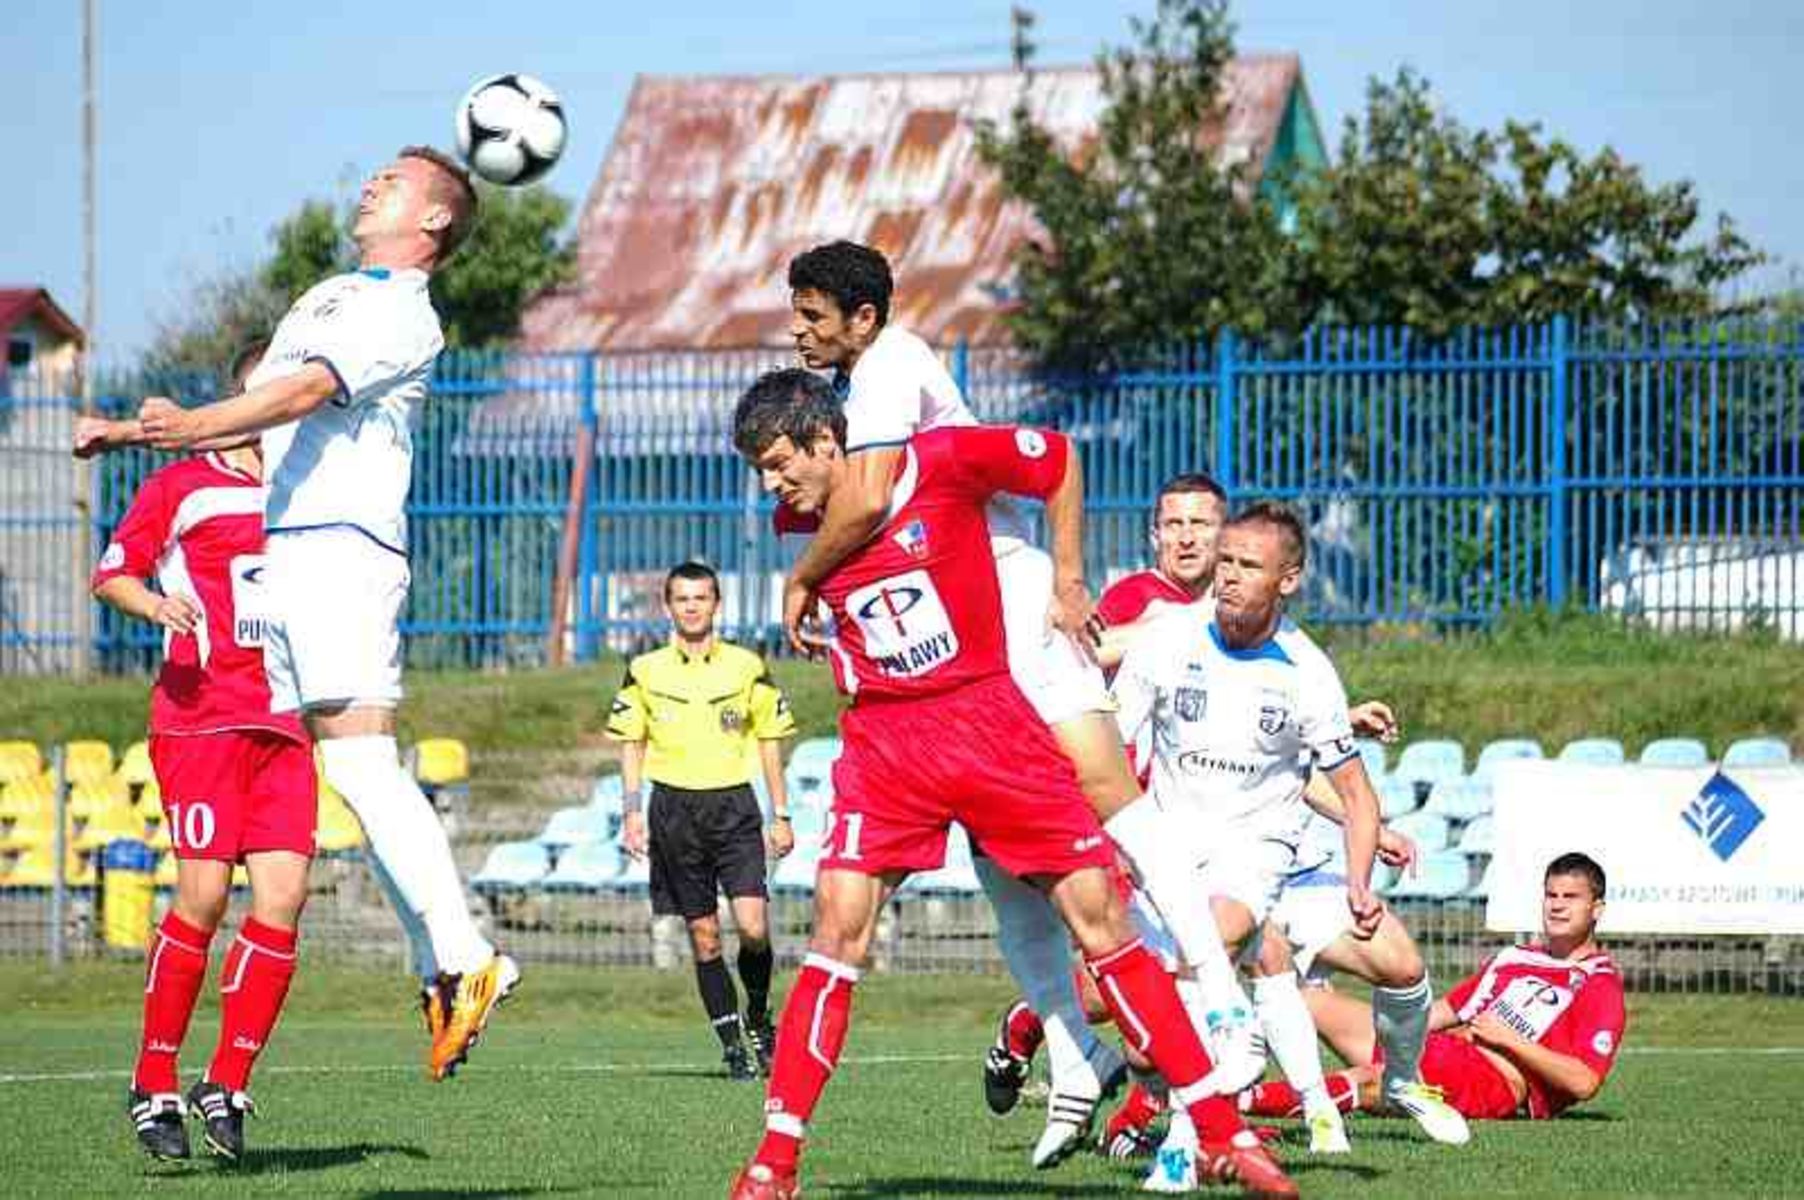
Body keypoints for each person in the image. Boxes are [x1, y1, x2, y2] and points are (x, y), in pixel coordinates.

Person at [725, 369, 1296, 1200]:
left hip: (992, 721)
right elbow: (856, 521)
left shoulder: (946, 459)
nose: (773, 489)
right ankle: (774, 1163)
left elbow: (1059, 458)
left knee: (1100, 919)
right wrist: (813, 587)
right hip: (888, 742)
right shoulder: (803, 518)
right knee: (835, 933)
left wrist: (1067, 578)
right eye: (762, 473)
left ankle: (1220, 1130)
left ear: (825, 440)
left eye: (780, 464)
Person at [784, 241, 1247, 1167]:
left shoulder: (890, 365)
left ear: (862, 319)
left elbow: (872, 497)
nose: (798, 327)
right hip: (953, 637)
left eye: (813, 313)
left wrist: (1068, 580)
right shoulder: (855, 387)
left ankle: (1224, 1008)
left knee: (1113, 794)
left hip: (1006, 598)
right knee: (1000, 864)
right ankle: (1078, 1054)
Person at [85, 147, 516, 1082]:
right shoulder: (327, 293)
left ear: (433, 221)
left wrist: (184, 424)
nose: (371, 185)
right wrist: (132, 432)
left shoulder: (402, 313)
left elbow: (304, 393)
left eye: (393, 183)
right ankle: (442, 967)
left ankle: (469, 957)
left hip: (343, 548)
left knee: (363, 761)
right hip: (293, 553)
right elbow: (261, 414)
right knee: (352, 767)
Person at [1113, 502, 1467, 1189]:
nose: (1230, 577)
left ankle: (1189, 1139)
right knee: (1143, 1037)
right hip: (1169, 843)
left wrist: (1360, 882)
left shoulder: (1307, 673)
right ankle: (1182, 1074)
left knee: (1214, 943)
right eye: (1227, 562)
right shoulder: (1167, 640)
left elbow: (1359, 798)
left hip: (1257, 849)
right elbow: (1111, 740)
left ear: (1289, 580)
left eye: (1249, 566)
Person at [89, 341, 314, 1162]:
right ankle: (153, 1083)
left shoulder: (307, 490)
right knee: (206, 897)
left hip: (283, 721)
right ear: (241, 394)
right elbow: (112, 571)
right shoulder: (182, 482)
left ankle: (225, 1080)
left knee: (285, 900)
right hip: (201, 717)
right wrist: (156, 605)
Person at [1240, 852, 1626, 1123]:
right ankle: (1228, 1070)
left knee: (1372, 1080)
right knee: (1308, 1000)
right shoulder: (1513, 958)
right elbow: (1439, 1014)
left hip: (1491, 1080)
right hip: (1444, 1050)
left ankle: (1235, 1103)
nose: (1557, 906)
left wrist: (1509, 1039)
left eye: (1571, 897)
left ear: (1597, 908)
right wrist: (1397, 1032)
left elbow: (1585, 1082)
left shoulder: (1599, 983)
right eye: (1551, 895)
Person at [606, 560, 797, 1080]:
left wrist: (781, 814)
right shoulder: (644, 670)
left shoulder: (747, 665)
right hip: (673, 812)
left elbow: (770, 740)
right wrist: (630, 813)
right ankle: (733, 1046)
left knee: (754, 928)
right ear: (668, 606)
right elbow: (630, 743)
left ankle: (759, 1015)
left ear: (717, 604)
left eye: (702, 597)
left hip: (734, 808)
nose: (692, 606)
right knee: (706, 937)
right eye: (682, 599)